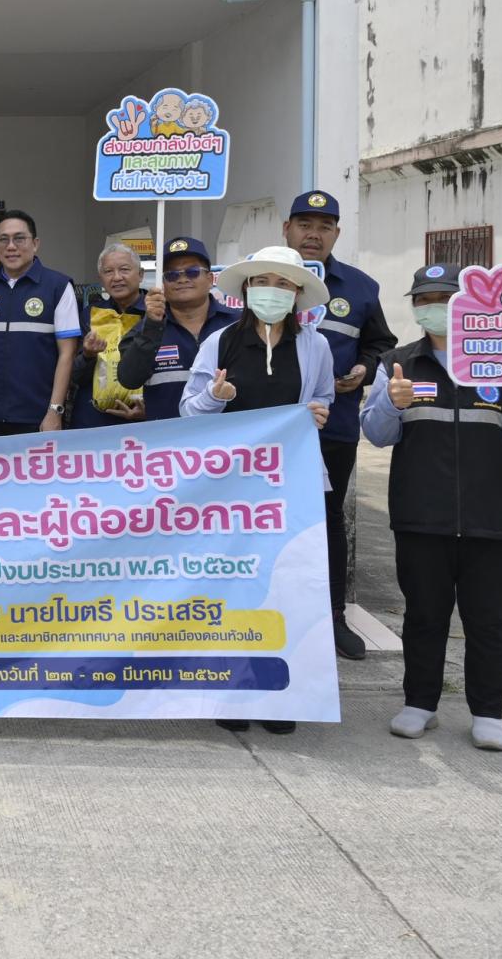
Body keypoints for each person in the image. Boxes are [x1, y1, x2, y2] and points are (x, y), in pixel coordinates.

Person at [362, 264, 502, 752]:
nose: (436, 307)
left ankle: (488, 713)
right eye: (425, 299)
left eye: (447, 298)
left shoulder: (500, 364)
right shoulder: (399, 363)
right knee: (424, 616)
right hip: (421, 515)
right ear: (414, 307)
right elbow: (377, 433)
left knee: (488, 621)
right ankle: (419, 704)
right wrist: (392, 403)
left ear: (469, 304)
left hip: (491, 517)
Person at [181, 245, 334, 738]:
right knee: (235, 586)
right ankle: (233, 689)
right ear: (246, 290)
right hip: (231, 491)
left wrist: (316, 413)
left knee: (288, 586)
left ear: (297, 294)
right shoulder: (221, 343)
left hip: (290, 488)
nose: (272, 291)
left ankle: (281, 693)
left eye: (283, 284)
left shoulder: (315, 346)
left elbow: (323, 398)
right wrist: (215, 396)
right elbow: (189, 411)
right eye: (263, 281)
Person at [283, 191, 396, 661]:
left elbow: (381, 343)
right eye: (304, 224)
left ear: (337, 233)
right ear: (286, 229)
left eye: (324, 226)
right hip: (266, 434)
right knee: (260, 520)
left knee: (326, 521)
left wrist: (364, 370)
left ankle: (332, 617)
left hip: (332, 429)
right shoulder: (260, 278)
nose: (314, 234)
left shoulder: (360, 287)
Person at [0, 211, 80, 435]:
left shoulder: (58, 286)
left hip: (38, 415)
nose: (11, 246)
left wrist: (55, 410)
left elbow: (68, 353)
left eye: (19, 238)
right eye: (3, 239)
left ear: (35, 244)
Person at [117, 237, 237, 422]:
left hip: (233, 436)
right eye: (172, 275)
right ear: (162, 283)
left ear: (210, 279)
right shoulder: (145, 329)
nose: (182, 279)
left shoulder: (237, 324)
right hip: (169, 439)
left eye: (192, 272)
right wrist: (152, 327)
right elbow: (129, 379)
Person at [71, 243, 148, 429]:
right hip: (94, 420)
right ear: (101, 278)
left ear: (141, 274)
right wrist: (88, 355)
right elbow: (74, 375)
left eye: (124, 269)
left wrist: (152, 409)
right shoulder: (90, 315)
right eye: (108, 272)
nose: (117, 277)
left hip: (143, 422)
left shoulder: (156, 313)